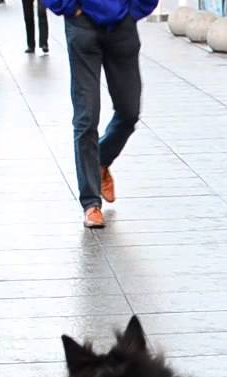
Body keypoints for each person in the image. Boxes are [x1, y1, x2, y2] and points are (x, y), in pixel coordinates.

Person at [43, 0, 157, 228]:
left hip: (122, 25)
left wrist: (133, 12)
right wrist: (67, 7)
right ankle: (91, 204)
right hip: (82, 25)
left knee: (129, 111)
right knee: (86, 117)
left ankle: (101, 160)